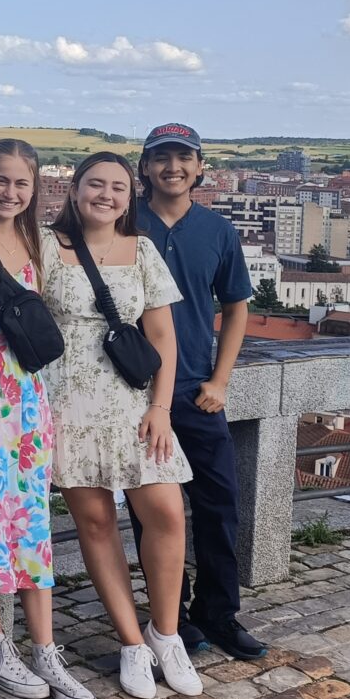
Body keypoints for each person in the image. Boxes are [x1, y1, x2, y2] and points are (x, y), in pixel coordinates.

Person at [39, 151, 203, 699]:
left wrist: (161, 407)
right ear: (74, 189)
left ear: (128, 196)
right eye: (94, 184)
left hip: (133, 402)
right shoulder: (45, 247)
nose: (105, 195)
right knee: (95, 523)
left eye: (116, 186)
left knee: (166, 512)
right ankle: (131, 642)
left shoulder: (144, 251)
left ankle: (166, 633)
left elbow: (163, 337)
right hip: (66, 402)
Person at [0, 139, 97, 699]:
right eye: (2, 181)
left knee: (32, 520)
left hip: (28, 397)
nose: (11, 193)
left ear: (34, 188)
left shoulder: (37, 240)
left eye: (22, 184)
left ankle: (45, 649)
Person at [131, 122, 267, 661]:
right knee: (154, 516)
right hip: (135, 396)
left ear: (200, 167)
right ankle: (174, 617)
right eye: (161, 158)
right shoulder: (122, 221)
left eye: (183, 158)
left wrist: (220, 379)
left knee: (219, 507)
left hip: (195, 392)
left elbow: (236, 308)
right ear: (144, 168)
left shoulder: (217, 230)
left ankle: (218, 612)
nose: (173, 167)